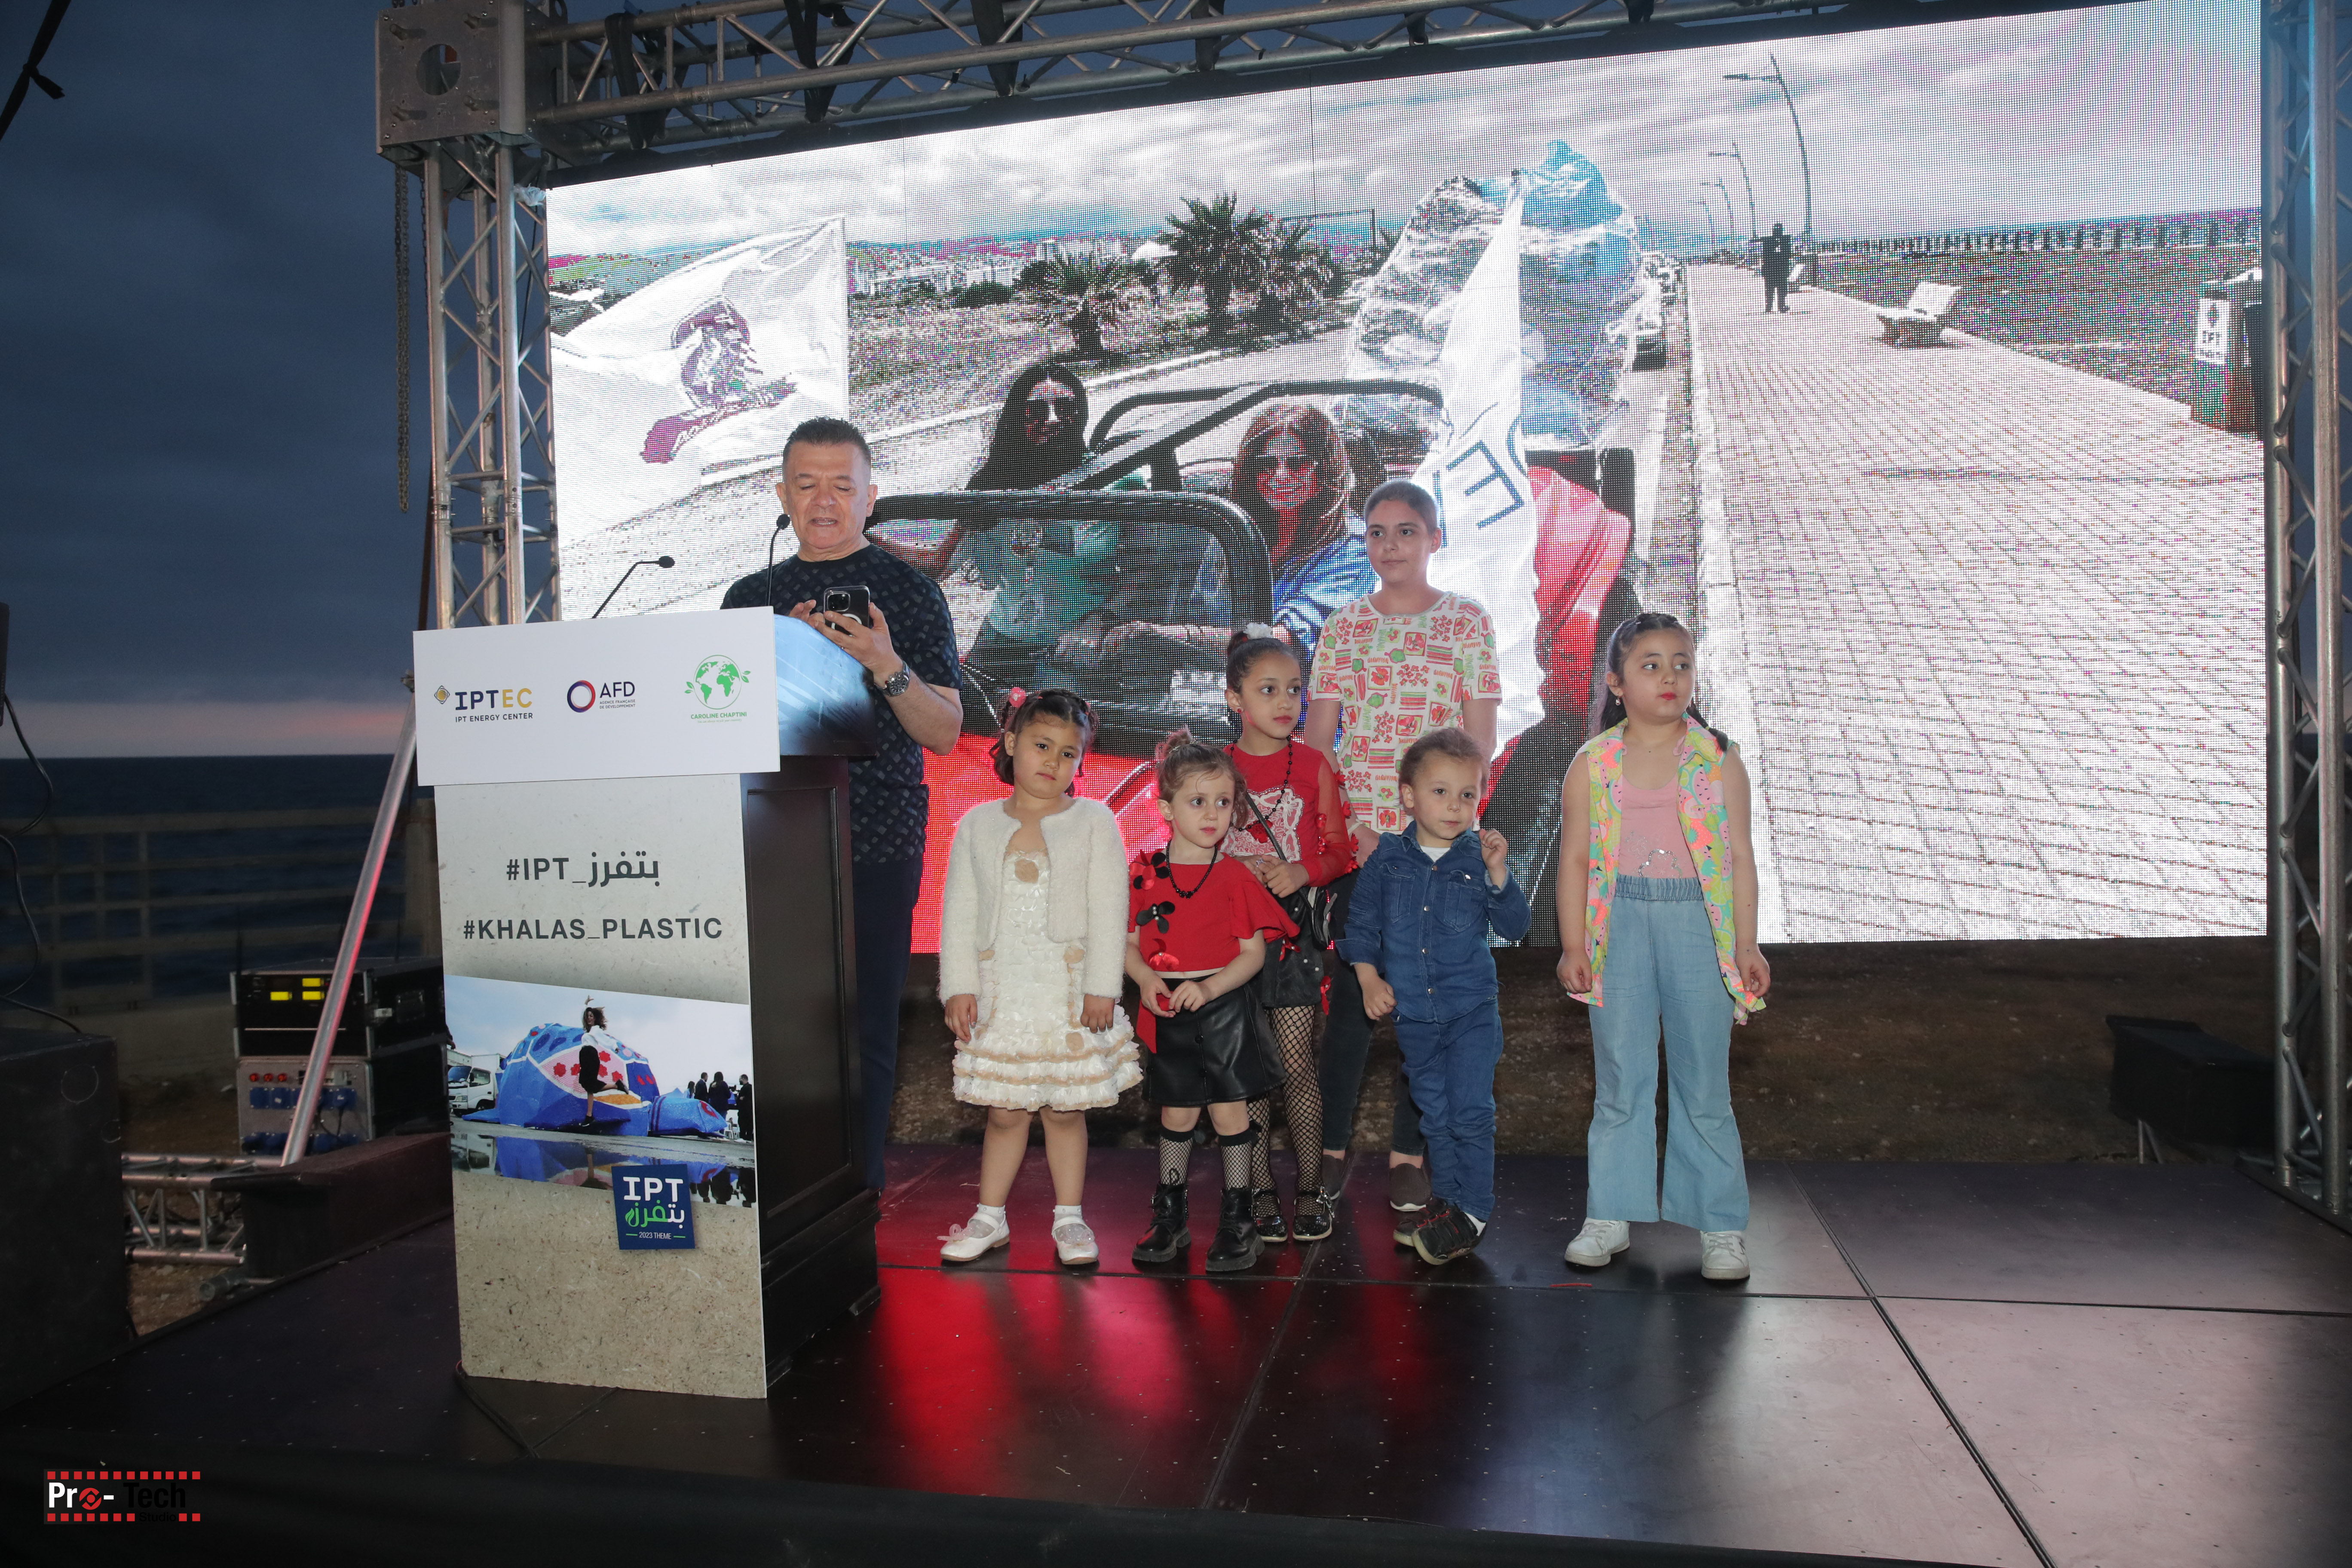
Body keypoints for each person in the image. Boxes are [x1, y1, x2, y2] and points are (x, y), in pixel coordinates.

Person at [722, 415, 966, 1192]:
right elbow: (718, 725)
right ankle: (781, 1191)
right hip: (770, 840)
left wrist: (882, 661)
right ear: (781, 495)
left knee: (865, 1034)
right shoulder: (748, 598)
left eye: (841, 486)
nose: (823, 502)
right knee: (775, 1030)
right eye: (806, 485)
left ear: (870, 498)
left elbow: (945, 731)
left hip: (878, 837)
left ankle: (857, 1195)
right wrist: (788, 662)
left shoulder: (910, 593)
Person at [1303, 479, 1500, 1219]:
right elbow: (1317, 747)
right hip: (1363, 848)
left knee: (1430, 1008)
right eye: (1377, 532)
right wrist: (1346, 829)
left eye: (1407, 530)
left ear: (1434, 539)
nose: (1391, 545)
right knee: (1354, 1008)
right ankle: (1327, 1150)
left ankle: (1409, 1156)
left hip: (1439, 851)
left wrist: (1442, 830)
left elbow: (1479, 745)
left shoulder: (1467, 623)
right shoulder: (1345, 626)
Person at [1556, 612, 1771, 1283]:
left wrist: (1746, 945)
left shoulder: (1718, 758)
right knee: (1622, 1077)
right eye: (1650, 665)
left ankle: (1720, 1225)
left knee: (1703, 1080)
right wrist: (1571, 944)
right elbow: (1575, 860)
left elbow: (1740, 857)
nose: (1670, 676)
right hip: (1616, 925)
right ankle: (1610, 1214)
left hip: (1697, 927)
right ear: (1617, 683)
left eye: (1681, 663)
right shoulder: (1593, 764)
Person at [937, 689, 1139, 1268]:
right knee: (1004, 1110)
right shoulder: (978, 824)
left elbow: (1109, 908)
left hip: (1067, 991)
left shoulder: (1093, 822)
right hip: (1004, 992)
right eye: (1042, 746)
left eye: (1069, 753)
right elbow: (960, 911)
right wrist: (960, 986)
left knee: (1065, 1109)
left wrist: (1102, 987)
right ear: (1011, 743)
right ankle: (990, 1218)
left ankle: (1069, 1218)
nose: (1053, 761)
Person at [1338, 727, 1530, 1265]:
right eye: (1440, 792)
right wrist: (1369, 979)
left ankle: (1473, 1212)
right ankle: (1447, 1202)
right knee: (1435, 1115)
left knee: (1469, 1113)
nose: (1454, 806)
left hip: (1471, 1013)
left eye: (1467, 794)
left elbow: (1516, 927)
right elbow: (1360, 925)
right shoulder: (1388, 859)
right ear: (1409, 796)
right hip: (1416, 1017)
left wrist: (1499, 874)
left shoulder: (1478, 859)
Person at [1127, 731, 1297, 1273]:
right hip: (1168, 1008)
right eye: (1197, 801)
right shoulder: (1144, 875)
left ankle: (1238, 1218)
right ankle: (1170, 1217)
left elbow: (1252, 956)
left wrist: (1209, 988)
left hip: (1224, 1009)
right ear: (1166, 809)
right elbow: (1127, 945)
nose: (1212, 814)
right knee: (1176, 1112)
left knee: (1229, 1112)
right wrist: (1145, 980)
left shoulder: (1234, 877)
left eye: (1223, 802)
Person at [1220, 633, 1355, 1244]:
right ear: (1235, 699)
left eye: (1295, 690)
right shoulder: (1217, 767)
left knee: (1296, 1063)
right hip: (1232, 942)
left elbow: (1340, 851)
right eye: (1268, 690)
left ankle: (1309, 1189)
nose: (1285, 702)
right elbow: (1190, 846)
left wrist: (1303, 871)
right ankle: (1258, 1191)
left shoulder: (1314, 765)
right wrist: (1237, 868)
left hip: (1293, 938)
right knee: (1249, 1068)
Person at [1082, 402, 1374, 675]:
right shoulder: (1235, 531)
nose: (1280, 476)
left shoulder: (1356, 549)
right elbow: (1198, 612)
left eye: (1298, 463)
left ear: (1326, 468)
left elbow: (1284, 644)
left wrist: (1159, 637)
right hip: (1216, 686)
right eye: (1266, 464)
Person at [1760, 223, 1792, 313]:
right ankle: (1780, 307)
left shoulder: (1768, 241)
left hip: (1771, 271)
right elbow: (1788, 255)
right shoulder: (1785, 240)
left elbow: (1765, 256)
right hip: (1781, 270)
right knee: (1780, 290)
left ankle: (1770, 307)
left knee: (1771, 290)